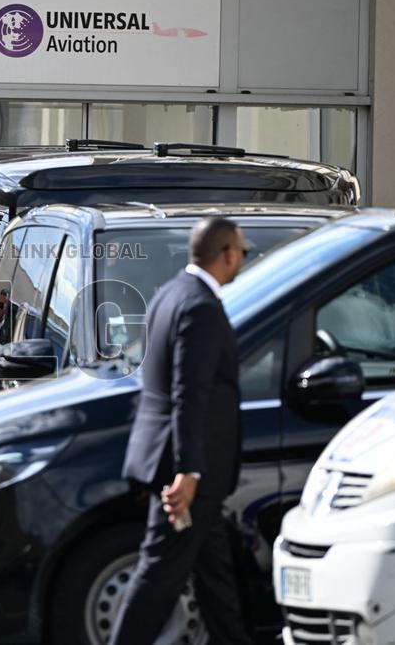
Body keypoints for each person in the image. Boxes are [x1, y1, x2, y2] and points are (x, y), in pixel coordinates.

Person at [111, 217, 253, 644]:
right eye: (242, 252)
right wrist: (188, 473)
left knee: (216, 581)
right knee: (159, 573)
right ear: (226, 253)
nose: (243, 259)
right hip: (189, 471)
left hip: (180, 464)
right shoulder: (200, 307)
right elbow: (189, 394)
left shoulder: (170, 293)